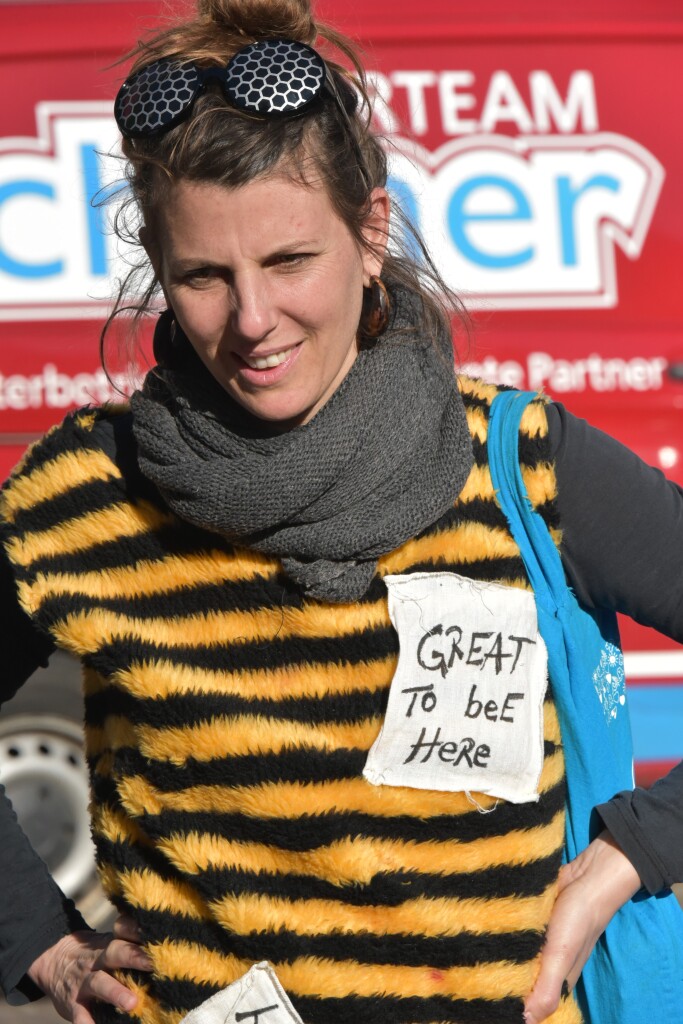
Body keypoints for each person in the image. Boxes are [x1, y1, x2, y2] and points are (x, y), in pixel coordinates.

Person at [0, 1, 681, 1023]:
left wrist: (633, 850)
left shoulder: (518, 464)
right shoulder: (89, 495)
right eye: (201, 276)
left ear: (369, 233)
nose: (252, 321)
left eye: (287, 261)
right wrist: (36, 940)